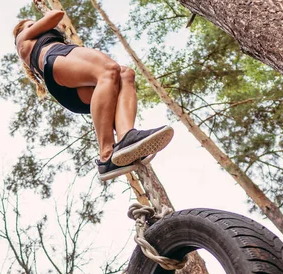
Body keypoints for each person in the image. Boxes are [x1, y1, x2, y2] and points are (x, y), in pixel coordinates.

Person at [13, 9, 174, 181]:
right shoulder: (22, 41)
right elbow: (56, 15)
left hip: (75, 89)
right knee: (109, 70)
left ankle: (126, 138)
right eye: (30, 25)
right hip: (56, 61)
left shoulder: (47, 39)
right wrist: (45, 14)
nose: (35, 26)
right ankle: (106, 154)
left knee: (125, 74)